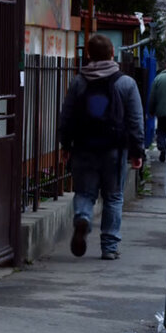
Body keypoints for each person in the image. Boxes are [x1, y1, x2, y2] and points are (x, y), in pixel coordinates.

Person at [58, 33, 144, 260]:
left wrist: (65, 144)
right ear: (112, 53)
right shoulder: (126, 83)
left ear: (88, 54)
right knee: (113, 197)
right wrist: (137, 151)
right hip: (115, 150)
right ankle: (109, 247)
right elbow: (135, 121)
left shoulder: (79, 81)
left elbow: (66, 115)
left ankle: (83, 217)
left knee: (85, 193)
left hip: (83, 147)